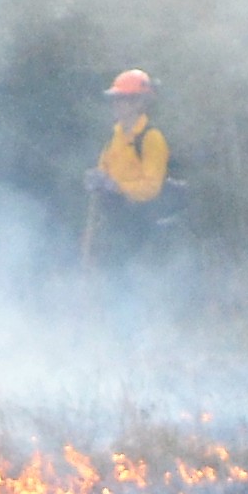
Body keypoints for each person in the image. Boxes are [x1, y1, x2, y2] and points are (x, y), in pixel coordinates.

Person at [80, 69, 190, 333]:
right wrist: (97, 180)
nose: (118, 105)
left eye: (125, 99)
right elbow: (104, 169)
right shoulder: (116, 137)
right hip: (118, 222)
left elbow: (151, 187)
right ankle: (120, 334)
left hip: (143, 223)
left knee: (131, 280)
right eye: (116, 99)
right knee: (115, 279)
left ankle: (135, 336)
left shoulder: (152, 139)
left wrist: (115, 186)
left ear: (140, 103)